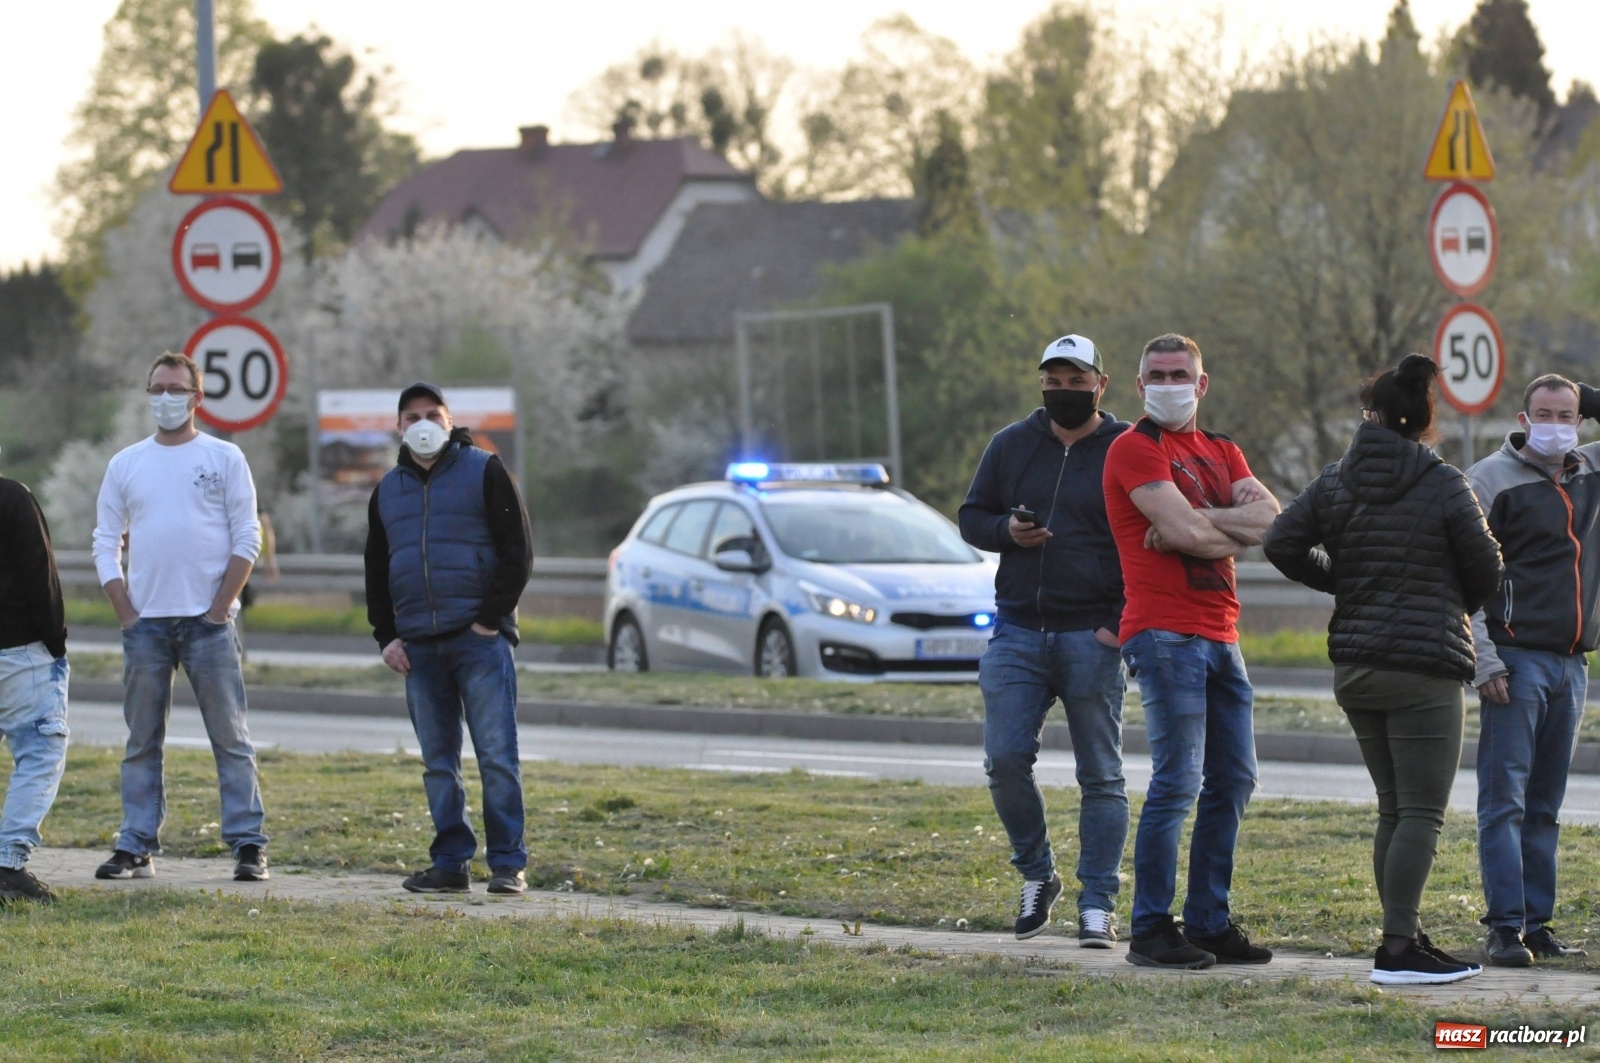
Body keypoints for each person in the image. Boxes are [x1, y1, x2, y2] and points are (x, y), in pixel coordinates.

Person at [1263, 354, 1503, 986]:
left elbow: (1280, 541)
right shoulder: (1444, 482)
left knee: (1393, 808)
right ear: (1422, 418)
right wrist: (1454, 602)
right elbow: (1486, 566)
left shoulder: (1335, 479)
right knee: (1421, 812)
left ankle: (1404, 934)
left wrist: (1341, 580)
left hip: (1356, 666)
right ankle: (1398, 950)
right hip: (1422, 667)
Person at [1102, 333, 1280, 970]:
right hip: (1164, 631)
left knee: (1234, 779)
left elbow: (1271, 522)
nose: (1169, 383)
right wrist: (1208, 525)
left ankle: (1209, 922)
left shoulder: (1222, 448)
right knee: (1178, 781)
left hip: (1222, 633)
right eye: (1157, 373)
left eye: (1180, 373)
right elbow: (1182, 530)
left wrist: (1199, 525)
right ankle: (1151, 928)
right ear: (1138, 383)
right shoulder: (1132, 447)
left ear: (1202, 384)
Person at [958, 334, 1131, 945]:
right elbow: (971, 516)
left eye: (1075, 379)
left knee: (1101, 775)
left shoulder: (1126, 447)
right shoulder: (1010, 445)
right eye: (1052, 381)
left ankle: (1098, 901)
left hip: (1094, 633)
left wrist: (1119, 618)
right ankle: (1038, 875)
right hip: (1018, 631)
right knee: (1004, 761)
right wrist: (1006, 529)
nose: (1063, 391)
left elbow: (1148, 535)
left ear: (1099, 384)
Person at [91, 352, 268, 882]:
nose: (166, 398)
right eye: (157, 388)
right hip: (146, 625)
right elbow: (104, 540)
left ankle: (248, 843)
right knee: (142, 739)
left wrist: (220, 607)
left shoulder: (224, 458)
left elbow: (248, 536)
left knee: (230, 735)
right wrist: (124, 607)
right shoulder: (126, 463)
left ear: (197, 397)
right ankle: (136, 843)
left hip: (208, 625)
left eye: (176, 389)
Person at [364, 382, 533, 895]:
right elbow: (376, 568)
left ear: (449, 420)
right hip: (420, 648)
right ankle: (450, 863)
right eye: (411, 415)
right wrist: (386, 636)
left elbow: (518, 552)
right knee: (439, 765)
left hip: (479, 642)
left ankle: (508, 864)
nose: (422, 424)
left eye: (431, 414)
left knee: (496, 757)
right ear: (398, 426)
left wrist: (489, 619)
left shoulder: (485, 469)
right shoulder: (387, 490)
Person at [1466, 373, 1599, 966]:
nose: (1555, 425)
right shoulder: (1489, 481)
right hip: (1514, 662)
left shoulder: (1587, 471)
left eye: (1567, 414)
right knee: (1506, 801)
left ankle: (1537, 922)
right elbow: (1462, 578)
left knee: (1546, 802)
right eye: (1543, 413)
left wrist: (1587, 396)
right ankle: (1503, 927)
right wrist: (1484, 658)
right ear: (1522, 420)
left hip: (1572, 664)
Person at [0, 467, 70, 902]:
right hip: (20, 648)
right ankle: (8, 865)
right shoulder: (12, 498)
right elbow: (39, 574)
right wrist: (55, 642)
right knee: (40, 752)